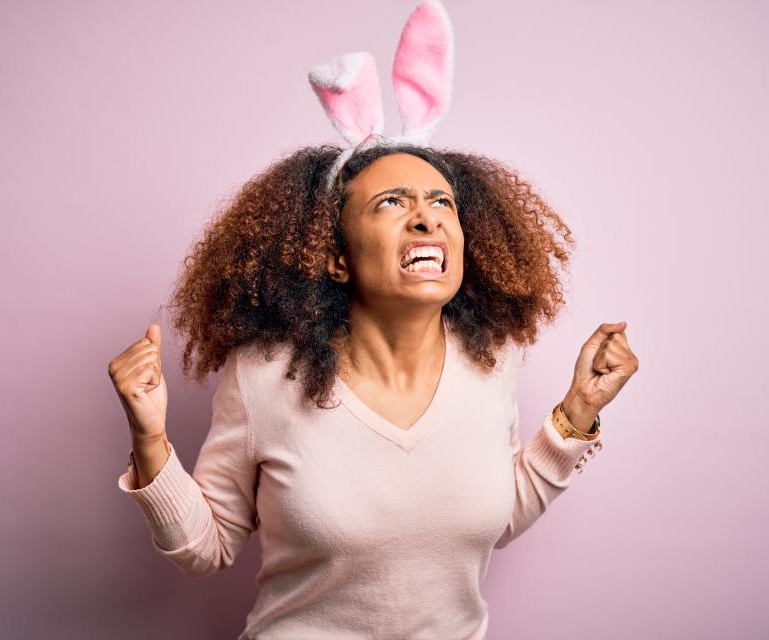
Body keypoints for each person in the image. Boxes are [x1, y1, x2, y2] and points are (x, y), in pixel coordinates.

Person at [108, 3, 638, 637]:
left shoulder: (491, 362)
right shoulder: (262, 377)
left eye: (441, 202)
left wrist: (577, 412)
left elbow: (490, 518)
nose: (427, 217)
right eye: (392, 202)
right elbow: (208, 547)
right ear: (335, 256)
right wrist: (150, 439)